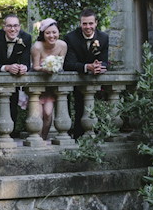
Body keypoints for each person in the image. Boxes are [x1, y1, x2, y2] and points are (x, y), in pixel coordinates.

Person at [0, 14, 32, 145]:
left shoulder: (26, 38)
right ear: (4, 27)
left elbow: (26, 61)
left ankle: (9, 136)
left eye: (16, 26)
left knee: (13, 106)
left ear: (20, 27)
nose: (13, 29)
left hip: (13, 77)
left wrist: (24, 67)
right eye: (10, 26)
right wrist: (6, 67)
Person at [63, 8, 109, 139]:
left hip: (93, 78)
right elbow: (68, 64)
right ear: (80, 23)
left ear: (96, 23)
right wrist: (87, 67)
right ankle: (74, 135)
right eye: (84, 23)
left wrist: (99, 67)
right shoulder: (70, 38)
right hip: (75, 76)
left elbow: (105, 61)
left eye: (90, 23)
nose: (87, 27)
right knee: (75, 105)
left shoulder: (103, 37)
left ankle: (89, 135)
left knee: (90, 107)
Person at [31, 18, 67, 140]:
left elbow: (60, 66)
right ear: (43, 34)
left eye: (54, 32)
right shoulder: (37, 47)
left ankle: (44, 138)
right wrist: (44, 68)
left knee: (48, 113)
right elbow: (35, 66)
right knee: (39, 114)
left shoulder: (63, 45)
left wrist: (54, 68)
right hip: (37, 85)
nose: (51, 36)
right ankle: (37, 139)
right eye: (48, 33)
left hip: (50, 86)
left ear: (58, 32)